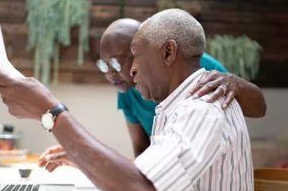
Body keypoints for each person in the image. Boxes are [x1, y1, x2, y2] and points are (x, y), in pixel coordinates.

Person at [0, 8, 253, 191]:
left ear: (168, 53)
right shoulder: (172, 108)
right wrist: (83, 158)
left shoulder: (201, 110)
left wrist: (52, 111)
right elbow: (143, 180)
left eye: (136, 55)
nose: (131, 70)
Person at [39, 18, 266, 168]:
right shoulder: (127, 89)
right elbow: (142, 152)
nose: (109, 74)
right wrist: (84, 158)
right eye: (103, 65)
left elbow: (259, 108)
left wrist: (234, 82)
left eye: (118, 64)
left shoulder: (197, 71)